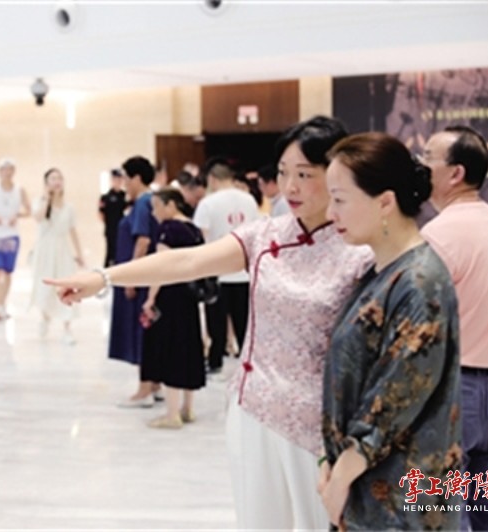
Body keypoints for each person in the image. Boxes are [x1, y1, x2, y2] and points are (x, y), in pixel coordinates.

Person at [46, 116, 372, 529]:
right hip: (254, 409)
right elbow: (187, 261)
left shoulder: (361, 250)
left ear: (338, 175)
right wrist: (103, 277)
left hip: (320, 426)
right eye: (283, 173)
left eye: (305, 175)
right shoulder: (266, 235)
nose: (290, 187)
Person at [319, 132, 462, 530]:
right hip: (366, 488)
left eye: (340, 200)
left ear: (385, 202)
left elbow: (394, 399)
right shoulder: (380, 272)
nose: (330, 213)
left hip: (400, 505)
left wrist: (341, 476)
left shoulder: (420, 283)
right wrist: (331, 463)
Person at [420, 126, 488, 531]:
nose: (420, 165)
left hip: (449, 393)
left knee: (439, 512)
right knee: (485, 506)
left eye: (428, 157)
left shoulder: (441, 234)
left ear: (455, 173)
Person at [142, 188, 206, 428]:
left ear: (171, 205)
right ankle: (187, 408)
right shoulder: (193, 229)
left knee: (171, 350)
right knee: (189, 348)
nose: (154, 213)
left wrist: (150, 298)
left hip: (170, 297)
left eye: (157, 207)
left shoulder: (168, 229)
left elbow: (162, 268)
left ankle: (171, 415)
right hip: (189, 297)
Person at [193, 162, 260, 374]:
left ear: (212, 179)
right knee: (244, 322)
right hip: (244, 269)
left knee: (216, 322)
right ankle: (248, 363)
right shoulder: (249, 200)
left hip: (218, 271)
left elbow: (202, 236)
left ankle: (216, 362)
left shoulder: (208, 203)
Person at [108, 156, 160, 407]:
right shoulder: (150, 202)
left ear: (137, 178)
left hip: (141, 278)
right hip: (147, 276)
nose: (125, 183)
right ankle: (156, 383)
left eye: (127, 178)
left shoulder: (142, 204)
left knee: (141, 331)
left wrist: (131, 277)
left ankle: (144, 389)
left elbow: (143, 241)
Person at [30, 168, 85, 345]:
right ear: (46, 183)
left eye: (59, 178)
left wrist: (79, 254)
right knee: (45, 285)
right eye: (53, 178)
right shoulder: (39, 202)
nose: (57, 181)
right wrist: (47, 198)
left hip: (63, 250)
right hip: (45, 250)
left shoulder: (69, 207)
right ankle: (45, 317)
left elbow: (73, 231)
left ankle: (67, 329)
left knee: (66, 285)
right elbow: (38, 218)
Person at [0, 158, 31, 321]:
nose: (7, 173)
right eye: (4, 169)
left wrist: (17, 215)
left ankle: (1, 304)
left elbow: (28, 210)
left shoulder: (19, 189)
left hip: (11, 235)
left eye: (10, 169)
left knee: (7, 272)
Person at [98, 169, 126, 267]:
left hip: (122, 229)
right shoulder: (106, 197)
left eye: (119, 179)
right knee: (110, 252)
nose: (118, 181)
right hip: (110, 229)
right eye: (115, 179)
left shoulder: (125, 196)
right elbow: (101, 214)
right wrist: (108, 223)